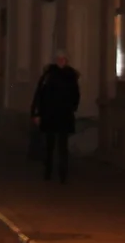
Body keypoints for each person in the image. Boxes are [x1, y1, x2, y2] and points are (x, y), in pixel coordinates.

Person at [31, 53, 81, 182]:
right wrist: (36, 113)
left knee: (62, 146)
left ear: (66, 61)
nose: (61, 61)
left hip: (64, 115)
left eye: (63, 59)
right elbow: (40, 95)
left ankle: (62, 173)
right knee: (49, 145)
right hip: (49, 114)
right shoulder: (48, 75)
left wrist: (72, 107)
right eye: (59, 59)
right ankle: (48, 171)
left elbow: (75, 94)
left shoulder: (70, 76)